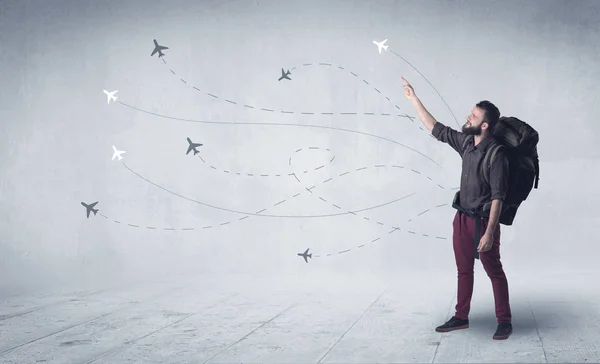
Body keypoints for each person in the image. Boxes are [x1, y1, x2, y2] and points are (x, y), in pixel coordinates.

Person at [401, 77, 512, 340]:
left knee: (493, 269)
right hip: (462, 217)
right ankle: (461, 317)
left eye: (473, 116)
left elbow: (499, 197)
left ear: (484, 125)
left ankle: (504, 321)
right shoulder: (465, 142)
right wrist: (413, 99)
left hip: (485, 222)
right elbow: (435, 128)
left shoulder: (497, 154)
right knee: (463, 270)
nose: (468, 116)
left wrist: (488, 233)